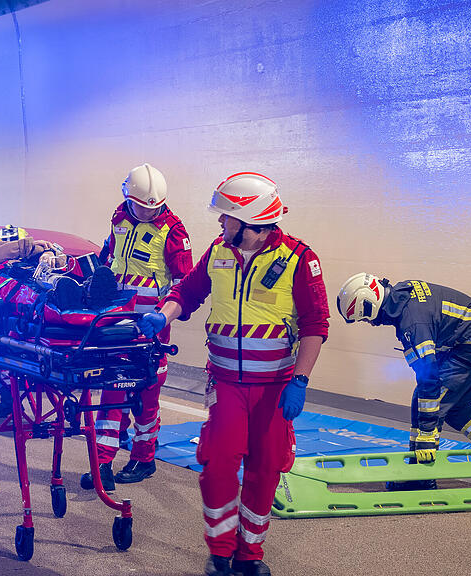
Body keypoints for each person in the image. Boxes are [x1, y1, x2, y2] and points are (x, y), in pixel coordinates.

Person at [137, 172, 329, 576]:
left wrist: (300, 381)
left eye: (226, 217)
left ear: (249, 219)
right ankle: (220, 551)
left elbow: (315, 325)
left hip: (275, 387)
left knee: (266, 466)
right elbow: (186, 292)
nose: (220, 224)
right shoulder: (219, 252)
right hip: (225, 382)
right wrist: (163, 315)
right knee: (219, 462)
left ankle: (250, 554)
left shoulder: (299, 258)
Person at [336, 273, 471, 489]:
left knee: (430, 401)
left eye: (364, 317)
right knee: (456, 408)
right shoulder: (402, 297)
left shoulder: (412, 324)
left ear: (369, 304)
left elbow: (429, 380)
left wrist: (427, 434)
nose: (369, 323)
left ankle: (421, 474)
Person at [80, 163, 193, 492]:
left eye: (152, 208)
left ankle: (144, 458)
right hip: (116, 320)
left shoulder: (174, 231)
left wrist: (164, 315)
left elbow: (185, 282)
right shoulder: (119, 216)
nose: (145, 213)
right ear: (128, 199)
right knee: (112, 389)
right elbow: (111, 256)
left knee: (146, 395)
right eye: (140, 206)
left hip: (151, 327)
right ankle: (102, 461)